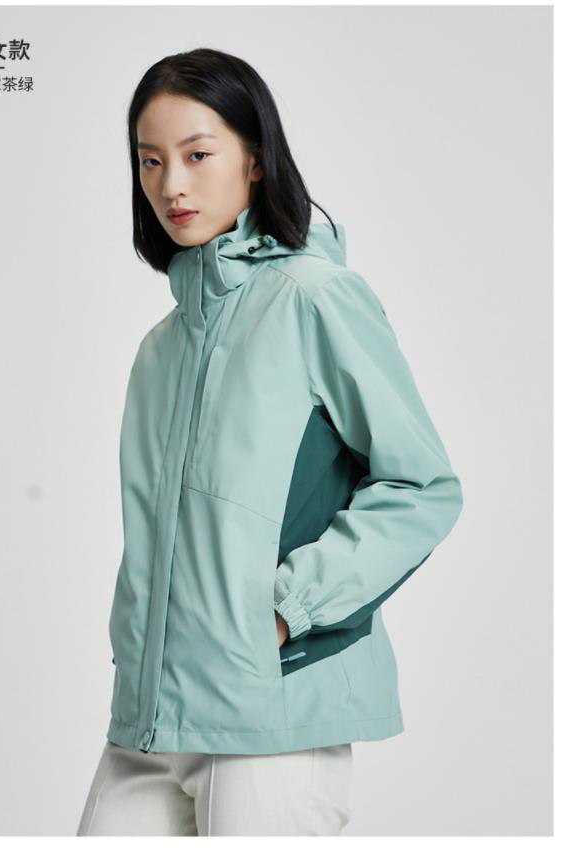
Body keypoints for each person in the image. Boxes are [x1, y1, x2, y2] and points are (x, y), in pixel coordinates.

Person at [76, 47, 464, 837]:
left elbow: (421, 487)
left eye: (197, 155)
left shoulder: (314, 298)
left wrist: (287, 610)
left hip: (271, 716)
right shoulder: (159, 350)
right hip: (149, 718)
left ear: (255, 159)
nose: (171, 186)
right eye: (151, 161)